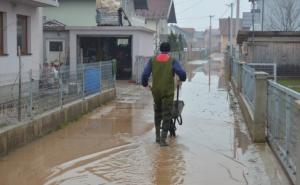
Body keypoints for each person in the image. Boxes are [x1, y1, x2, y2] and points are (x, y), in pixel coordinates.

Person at [142, 42, 186, 147]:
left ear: (160, 49)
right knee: (167, 114)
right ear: (169, 50)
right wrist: (181, 79)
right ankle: (163, 140)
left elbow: (145, 74)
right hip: (168, 91)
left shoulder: (152, 60)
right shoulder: (172, 61)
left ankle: (157, 137)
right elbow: (182, 73)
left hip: (156, 90)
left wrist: (145, 84)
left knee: (157, 112)